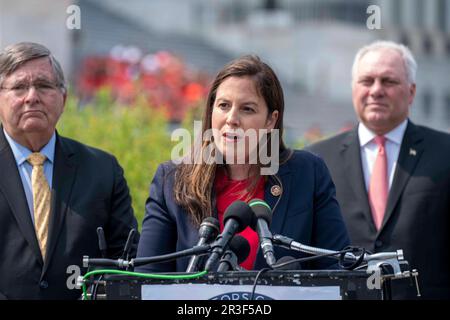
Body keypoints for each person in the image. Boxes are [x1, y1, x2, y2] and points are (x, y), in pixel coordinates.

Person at [136, 55, 350, 273]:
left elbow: (338, 272)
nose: (231, 119)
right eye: (223, 105)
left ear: (270, 120)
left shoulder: (308, 174)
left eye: (247, 109)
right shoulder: (171, 180)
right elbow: (147, 282)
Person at [306, 41, 450, 299]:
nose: (376, 90)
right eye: (367, 80)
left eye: (388, 81)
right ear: (353, 89)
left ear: (412, 91)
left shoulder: (445, 152)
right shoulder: (316, 159)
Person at [0, 42, 139, 299]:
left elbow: (126, 262)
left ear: (63, 99)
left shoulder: (103, 171)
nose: (32, 96)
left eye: (43, 85)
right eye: (19, 87)